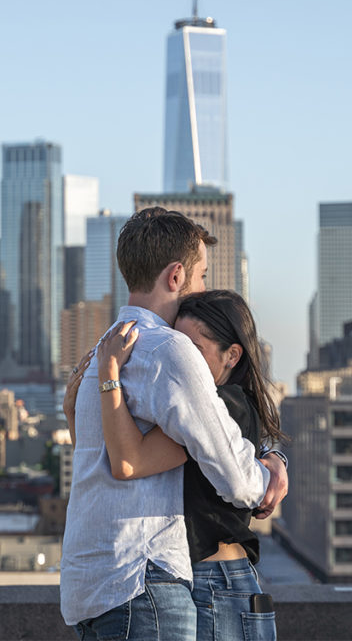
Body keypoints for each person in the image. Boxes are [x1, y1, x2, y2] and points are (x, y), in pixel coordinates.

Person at [59, 207, 287, 640]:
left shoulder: (100, 355)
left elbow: (99, 460)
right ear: (177, 275)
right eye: (201, 275)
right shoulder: (168, 350)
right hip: (142, 578)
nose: (203, 288)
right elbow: (236, 477)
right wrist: (270, 477)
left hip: (89, 585)